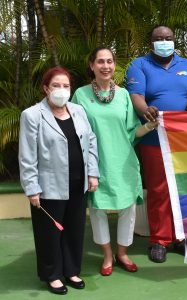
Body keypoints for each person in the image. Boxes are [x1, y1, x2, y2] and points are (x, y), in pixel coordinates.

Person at [126, 25, 187, 263]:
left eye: (168, 38)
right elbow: (136, 96)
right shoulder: (140, 65)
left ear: (175, 41)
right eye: (158, 39)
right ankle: (160, 239)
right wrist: (146, 110)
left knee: (186, 187)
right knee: (159, 189)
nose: (164, 42)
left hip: (185, 140)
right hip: (155, 138)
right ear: (150, 43)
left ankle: (183, 236)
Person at [72, 47, 158, 276]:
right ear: (92, 66)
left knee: (127, 208)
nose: (106, 66)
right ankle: (107, 256)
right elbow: (75, 130)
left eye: (109, 61)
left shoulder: (123, 96)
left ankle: (122, 253)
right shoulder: (80, 95)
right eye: (100, 61)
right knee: (98, 209)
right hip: (94, 162)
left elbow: (131, 132)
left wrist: (150, 126)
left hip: (123, 161)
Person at [19, 66, 99, 295]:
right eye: (56, 85)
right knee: (49, 233)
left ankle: (71, 270)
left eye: (66, 86)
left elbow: (91, 142)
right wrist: (32, 188)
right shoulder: (32, 115)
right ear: (46, 88)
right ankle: (52, 274)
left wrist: (92, 173)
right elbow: (27, 156)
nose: (61, 90)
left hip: (78, 183)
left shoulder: (78, 110)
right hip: (48, 187)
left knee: (74, 229)